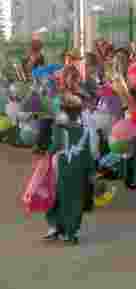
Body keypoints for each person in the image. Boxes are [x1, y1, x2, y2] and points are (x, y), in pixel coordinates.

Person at [44, 94, 95, 245]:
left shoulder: (59, 128)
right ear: (79, 113)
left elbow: (54, 147)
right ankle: (71, 232)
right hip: (79, 170)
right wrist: (91, 172)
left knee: (58, 196)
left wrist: (46, 158)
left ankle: (56, 227)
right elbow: (88, 154)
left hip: (63, 167)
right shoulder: (84, 131)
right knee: (75, 200)